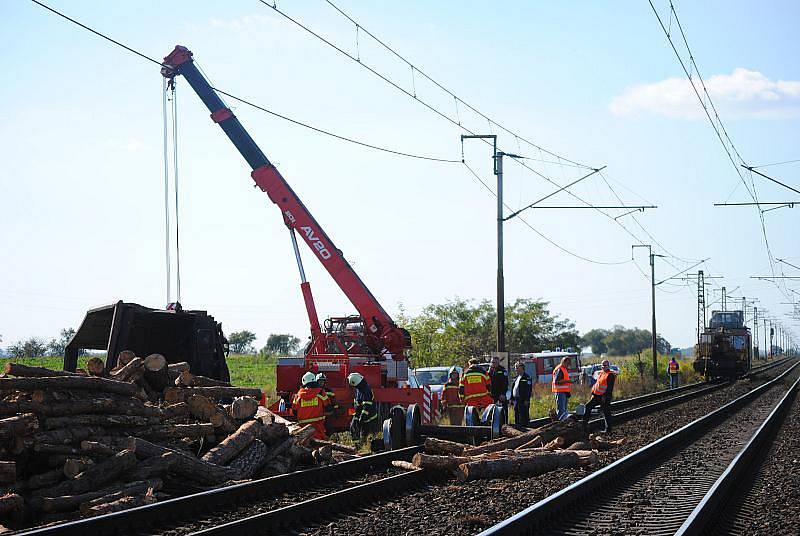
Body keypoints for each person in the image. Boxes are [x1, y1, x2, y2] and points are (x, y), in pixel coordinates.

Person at [291, 371, 329, 440]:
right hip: (318, 427)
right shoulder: (320, 393)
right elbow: (328, 407)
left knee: (304, 444)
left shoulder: (298, 395)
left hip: (303, 428)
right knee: (319, 444)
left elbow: (294, 411)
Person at [582, 359, 617, 434]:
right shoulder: (601, 373)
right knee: (588, 406)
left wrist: (605, 397)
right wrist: (593, 394)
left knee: (606, 412)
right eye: (602, 365)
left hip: (604, 397)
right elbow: (597, 385)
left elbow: (610, 388)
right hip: (596, 396)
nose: (603, 367)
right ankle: (584, 425)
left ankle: (608, 430)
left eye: (605, 365)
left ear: (608, 366)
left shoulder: (610, 375)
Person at [347, 372, 378, 440]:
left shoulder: (365, 390)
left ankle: (362, 445)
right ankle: (357, 445)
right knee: (354, 427)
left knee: (367, 435)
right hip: (362, 414)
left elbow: (367, 406)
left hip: (369, 418)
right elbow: (359, 403)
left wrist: (362, 417)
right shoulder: (360, 389)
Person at [510, 361, 532, 426]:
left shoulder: (527, 377)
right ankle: (518, 427)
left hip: (523, 400)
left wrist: (527, 399)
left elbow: (528, 390)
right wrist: (511, 398)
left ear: (522, 368)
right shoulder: (517, 377)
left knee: (524, 415)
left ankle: (526, 428)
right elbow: (513, 388)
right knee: (517, 414)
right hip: (516, 399)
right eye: (515, 368)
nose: (515, 369)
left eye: (517, 368)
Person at [488, 355, 509, 421]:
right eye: (492, 362)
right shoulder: (489, 371)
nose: (493, 364)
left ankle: (505, 423)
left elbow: (505, 383)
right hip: (492, 395)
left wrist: (503, 394)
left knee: (503, 410)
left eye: (495, 362)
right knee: (491, 411)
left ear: (498, 363)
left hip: (500, 394)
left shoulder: (502, 370)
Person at [552, 356, 572, 421]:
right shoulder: (560, 369)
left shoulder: (563, 369)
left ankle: (563, 424)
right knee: (561, 411)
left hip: (564, 392)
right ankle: (560, 425)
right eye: (568, 363)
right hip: (560, 392)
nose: (568, 365)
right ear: (564, 362)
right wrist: (567, 381)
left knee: (564, 411)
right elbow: (556, 382)